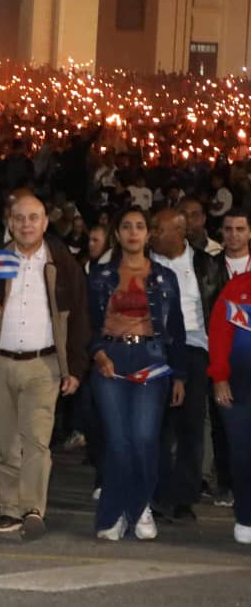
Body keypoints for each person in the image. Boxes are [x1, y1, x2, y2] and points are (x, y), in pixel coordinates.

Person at [0, 194, 90, 540]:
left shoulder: (62, 262)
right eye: (20, 218)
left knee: (37, 442)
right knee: (3, 443)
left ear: (45, 222)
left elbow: (79, 319)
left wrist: (74, 367)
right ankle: (9, 509)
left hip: (44, 366)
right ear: (10, 223)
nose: (27, 224)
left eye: (34, 218)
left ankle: (32, 509)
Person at [88, 207, 186, 541]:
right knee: (118, 442)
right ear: (117, 234)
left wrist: (181, 375)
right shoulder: (100, 275)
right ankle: (113, 514)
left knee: (144, 439)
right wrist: (98, 353)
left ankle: (139, 505)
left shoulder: (164, 277)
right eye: (126, 226)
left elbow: (176, 329)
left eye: (140, 226)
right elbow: (87, 324)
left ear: (148, 234)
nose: (133, 232)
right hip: (111, 358)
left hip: (152, 359)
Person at [150, 207, 222, 521]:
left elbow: (218, 312)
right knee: (157, 427)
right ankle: (157, 494)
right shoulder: (145, 263)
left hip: (195, 350)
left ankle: (184, 497)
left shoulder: (205, 265)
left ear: (179, 233)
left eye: (158, 229)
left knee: (191, 426)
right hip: (154, 349)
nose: (152, 234)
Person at [208, 267, 251, 543]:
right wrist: (220, 377)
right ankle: (246, 517)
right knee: (241, 453)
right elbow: (219, 333)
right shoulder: (237, 287)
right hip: (239, 385)